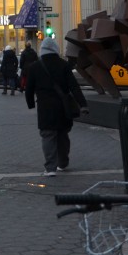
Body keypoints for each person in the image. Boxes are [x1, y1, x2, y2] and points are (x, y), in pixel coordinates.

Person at [25, 37, 89, 177]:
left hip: (45, 108)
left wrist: (30, 104)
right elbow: (74, 87)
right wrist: (83, 104)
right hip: (63, 107)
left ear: (42, 50)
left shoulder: (35, 67)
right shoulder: (64, 65)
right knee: (62, 135)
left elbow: (29, 89)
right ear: (56, 49)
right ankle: (63, 163)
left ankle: (50, 168)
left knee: (48, 136)